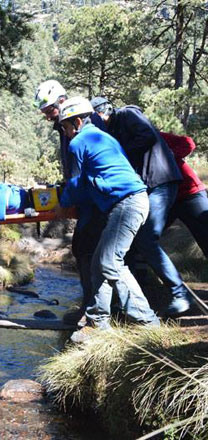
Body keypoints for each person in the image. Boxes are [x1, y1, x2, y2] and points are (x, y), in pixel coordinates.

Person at [55, 97, 160, 343]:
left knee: (107, 260)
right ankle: (111, 320)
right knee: (106, 263)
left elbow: (76, 182)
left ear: (77, 122)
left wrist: (63, 203)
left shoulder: (80, 142)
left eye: (65, 127)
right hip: (133, 201)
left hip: (127, 204)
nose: (65, 133)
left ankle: (124, 321)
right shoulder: (106, 138)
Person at [91, 97, 191, 317]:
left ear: (102, 113)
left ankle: (180, 294)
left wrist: (118, 150)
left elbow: (147, 135)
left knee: (146, 238)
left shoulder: (127, 114)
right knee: (130, 239)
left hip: (160, 181)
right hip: (148, 186)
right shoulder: (114, 129)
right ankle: (131, 298)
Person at [35, 80, 107, 326]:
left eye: (49, 110)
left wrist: (67, 198)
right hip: (88, 196)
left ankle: (94, 312)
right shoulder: (65, 125)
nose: (47, 116)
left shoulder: (84, 122)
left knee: (88, 250)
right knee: (85, 250)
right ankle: (92, 307)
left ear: (62, 101)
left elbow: (84, 165)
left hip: (96, 198)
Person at [160, 132, 208, 258]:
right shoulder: (125, 144)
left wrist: (169, 156)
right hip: (166, 200)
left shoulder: (155, 135)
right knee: (146, 236)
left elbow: (188, 143)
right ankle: (141, 275)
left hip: (189, 192)